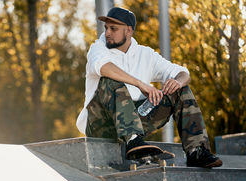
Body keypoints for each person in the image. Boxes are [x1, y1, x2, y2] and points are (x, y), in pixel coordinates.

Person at [76, 7, 222, 168]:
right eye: (106, 28)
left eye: (114, 28)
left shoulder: (145, 54)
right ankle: (133, 141)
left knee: (179, 89)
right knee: (110, 80)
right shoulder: (98, 48)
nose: (108, 33)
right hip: (100, 124)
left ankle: (196, 151)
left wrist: (178, 82)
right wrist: (141, 84)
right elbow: (104, 67)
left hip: (136, 118)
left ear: (129, 31)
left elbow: (182, 72)